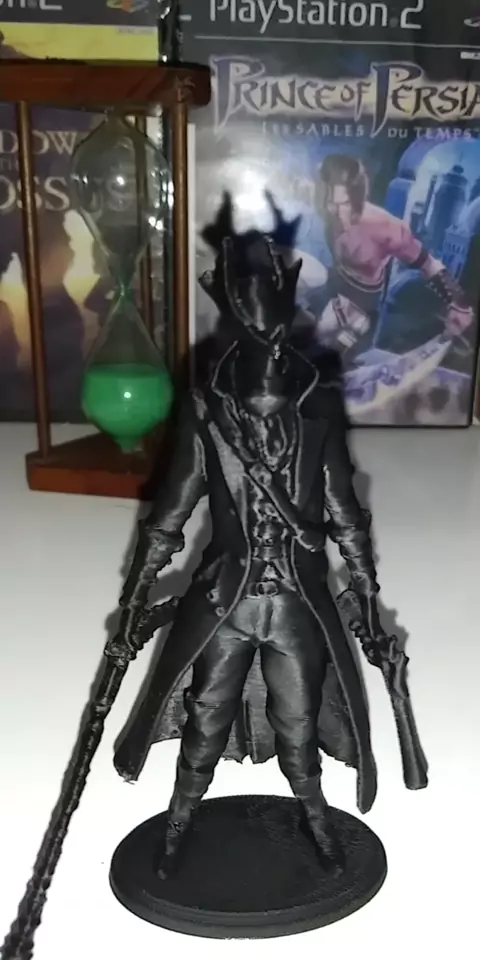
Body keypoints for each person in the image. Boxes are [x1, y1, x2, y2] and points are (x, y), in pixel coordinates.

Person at [112, 216, 388, 879]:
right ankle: (179, 824)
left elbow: (346, 515)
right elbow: (168, 519)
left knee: (299, 726)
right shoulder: (208, 422)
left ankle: (317, 822)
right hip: (225, 604)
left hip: (297, 605)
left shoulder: (318, 420)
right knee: (205, 721)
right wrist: (133, 602)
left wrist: (368, 597)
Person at [310, 154, 473, 357]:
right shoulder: (323, 207)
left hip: (364, 305)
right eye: (330, 204)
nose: (337, 213)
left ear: (358, 199)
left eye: (345, 204)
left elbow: (429, 264)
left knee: (339, 360)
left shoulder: (386, 227)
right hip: (334, 285)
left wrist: (459, 303)